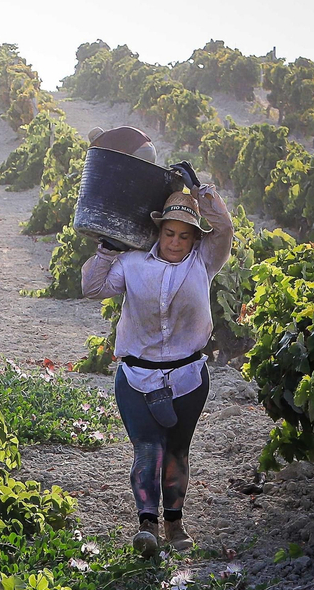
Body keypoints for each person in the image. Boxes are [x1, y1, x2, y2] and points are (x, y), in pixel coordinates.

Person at [81, 177, 233, 557]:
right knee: (148, 449)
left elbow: (226, 228)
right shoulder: (132, 264)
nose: (176, 242)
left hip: (187, 378)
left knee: (178, 451)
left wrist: (203, 192)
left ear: (195, 239)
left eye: (184, 235)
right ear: (158, 232)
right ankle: (146, 525)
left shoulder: (203, 263)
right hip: (136, 376)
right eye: (169, 233)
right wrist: (106, 251)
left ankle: (174, 523)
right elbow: (92, 287)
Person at [88, 125, 158, 164]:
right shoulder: (112, 136)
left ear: (96, 141)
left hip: (141, 152)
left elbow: (108, 160)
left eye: (95, 145)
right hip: (151, 150)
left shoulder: (104, 140)